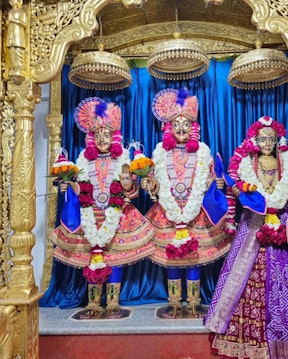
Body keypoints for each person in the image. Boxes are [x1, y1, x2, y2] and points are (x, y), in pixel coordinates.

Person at [204, 115, 288, 359]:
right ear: (255, 140)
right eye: (262, 138)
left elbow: (287, 187)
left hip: (284, 222)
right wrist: (237, 188)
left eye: (270, 139)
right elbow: (240, 190)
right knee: (243, 280)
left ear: (276, 141)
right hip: (255, 225)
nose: (266, 143)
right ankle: (251, 342)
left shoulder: (286, 162)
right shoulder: (247, 164)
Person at [50, 97, 155, 318]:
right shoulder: (82, 162)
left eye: (106, 135)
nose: (102, 139)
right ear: (91, 139)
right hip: (91, 215)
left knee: (114, 257)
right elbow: (80, 189)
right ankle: (94, 302)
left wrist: (129, 189)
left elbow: (132, 189)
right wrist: (69, 186)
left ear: (114, 137)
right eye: (97, 135)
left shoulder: (125, 159)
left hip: (117, 215)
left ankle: (114, 303)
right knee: (93, 257)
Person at [141, 88, 232, 319]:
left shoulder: (203, 152)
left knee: (194, 256)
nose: (181, 128)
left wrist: (215, 182)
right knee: (172, 256)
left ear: (194, 128)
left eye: (186, 124)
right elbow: (154, 179)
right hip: (167, 212)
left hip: (196, 212)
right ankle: (173, 301)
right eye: (176, 124)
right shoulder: (160, 153)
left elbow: (211, 176)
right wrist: (149, 185)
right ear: (168, 128)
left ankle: (193, 302)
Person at [6, 0, 27, 84]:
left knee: (18, 49)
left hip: (18, 32)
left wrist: (14, 21)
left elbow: (24, 23)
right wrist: (9, 22)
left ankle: (19, 67)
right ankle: (14, 67)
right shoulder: (10, 11)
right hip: (11, 32)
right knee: (12, 50)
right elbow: (8, 22)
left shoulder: (21, 12)